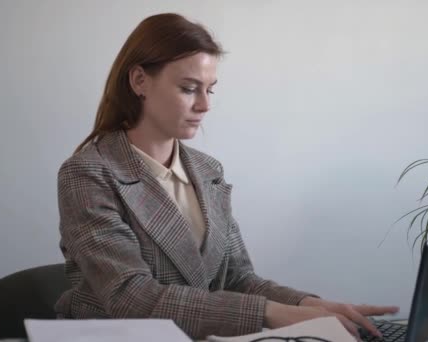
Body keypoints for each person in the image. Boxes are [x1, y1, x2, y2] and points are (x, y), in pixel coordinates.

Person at [55, 13, 398, 340]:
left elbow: (236, 277)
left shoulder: (207, 171)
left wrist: (309, 305)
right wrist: (272, 314)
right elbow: (133, 298)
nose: (205, 105)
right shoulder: (87, 174)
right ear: (139, 81)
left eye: (210, 89)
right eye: (189, 88)